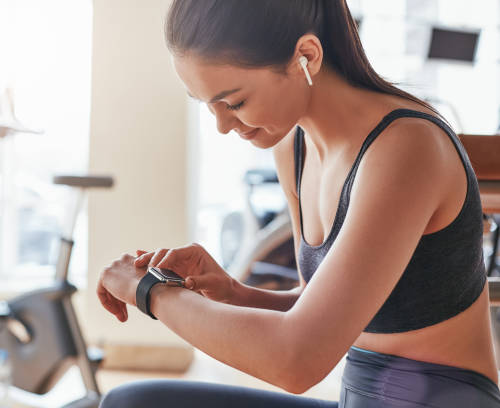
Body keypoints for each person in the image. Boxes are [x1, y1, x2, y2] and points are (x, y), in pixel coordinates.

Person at [95, 1, 500, 406]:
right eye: (207, 105)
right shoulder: (295, 146)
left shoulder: (407, 147)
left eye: (233, 102)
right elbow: (318, 311)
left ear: (306, 56)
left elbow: (297, 360)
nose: (222, 126)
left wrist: (149, 291)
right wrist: (235, 292)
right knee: (135, 401)